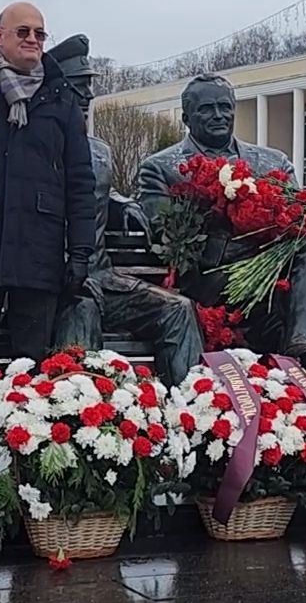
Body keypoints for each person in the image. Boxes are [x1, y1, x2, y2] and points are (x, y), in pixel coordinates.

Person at [0, 1, 93, 465]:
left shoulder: (60, 98)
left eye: (40, 34)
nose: (32, 40)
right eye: (23, 31)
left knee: (31, 372)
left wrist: (80, 250)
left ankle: (25, 466)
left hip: (39, 254)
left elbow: (79, 180)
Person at [135, 73, 306, 373]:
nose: (219, 115)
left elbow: (300, 224)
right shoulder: (161, 168)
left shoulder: (273, 162)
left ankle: (304, 342)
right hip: (213, 285)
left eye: (225, 107)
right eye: (206, 109)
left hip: (277, 282)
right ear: (186, 117)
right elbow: (167, 240)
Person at [48, 34, 205, 384]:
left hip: (103, 278)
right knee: (82, 308)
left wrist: (122, 205)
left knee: (178, 310)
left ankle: (192, 415)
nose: (87, 95)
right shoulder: (35, 147)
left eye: (89, 86)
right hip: (59, 286)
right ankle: (82, 424)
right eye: (77, 86)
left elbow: (102, 190)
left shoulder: (101, 151)